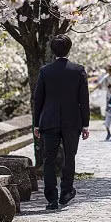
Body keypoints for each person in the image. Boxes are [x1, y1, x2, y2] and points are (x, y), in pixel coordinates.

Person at [33, 34, 91, 211]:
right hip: (72, 121)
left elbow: (38, 99)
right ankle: (66, 192)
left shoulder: (45, 71)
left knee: (48, 159)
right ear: (69, 48)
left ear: (53, 50)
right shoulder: (78, 70)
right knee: (69, 156)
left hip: (49, 120)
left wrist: (36, 123)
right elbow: (84, 100)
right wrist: (85, 124)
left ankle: (51, 198)